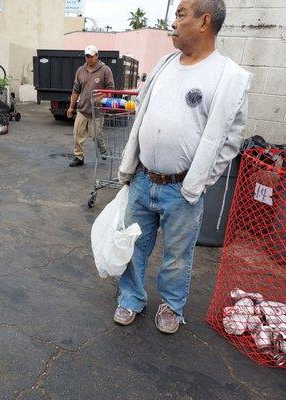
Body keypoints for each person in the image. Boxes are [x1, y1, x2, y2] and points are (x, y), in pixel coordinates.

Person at [114, 0, 252, 333]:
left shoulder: (227, 76)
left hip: (181, 188)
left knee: (177, 256)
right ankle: (131, 297)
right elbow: (144, 115)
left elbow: (231, 139)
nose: (173, 22)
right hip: (144, 180)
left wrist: (201, 180)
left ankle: (172, 306)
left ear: (204, 22)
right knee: (133, 245)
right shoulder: (164, 63)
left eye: (180, 14)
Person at [67, 45, 115, 167]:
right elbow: (76, 90)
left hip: (97, 110)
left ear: (97, 56)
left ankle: (102, 148)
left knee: (96, 135)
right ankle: (79, 157)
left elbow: (110, 89)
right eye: (87, 56)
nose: (89, 59)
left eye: (91, 56)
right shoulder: (80, 71)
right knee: (77, 134)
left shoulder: (105, 70)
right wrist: (71, 107)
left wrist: (100, 98)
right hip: (82, 109)